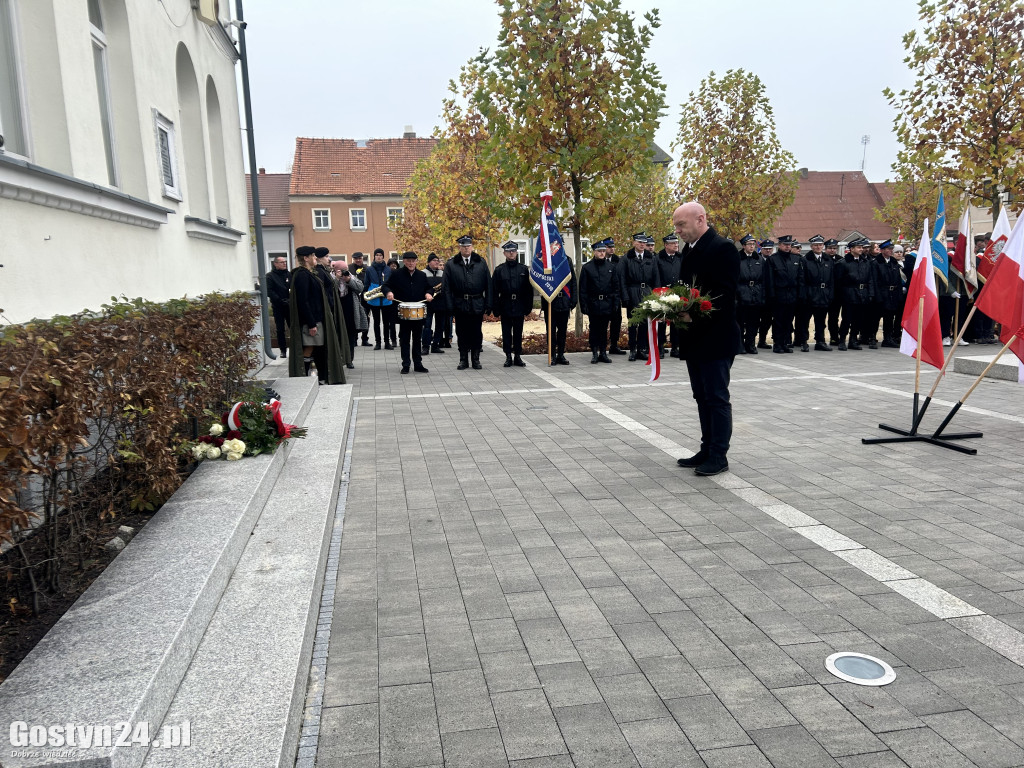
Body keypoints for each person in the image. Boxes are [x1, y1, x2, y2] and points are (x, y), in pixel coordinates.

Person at [672, 203, 740, 477]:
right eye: (676, 226)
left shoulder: (722, 248)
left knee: (716, 397)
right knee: (701, 396)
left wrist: (692, 316)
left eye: (681, 225)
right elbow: (687, 289)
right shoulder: (690, 250)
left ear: (700, 220)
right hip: (695, 338)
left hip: (716, 337)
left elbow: (724, 295)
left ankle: (719, 455)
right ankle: (706, 448)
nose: (677, 231)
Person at [287, 245, 348, 384]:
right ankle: (304, 380)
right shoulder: (302, 275)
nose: (316, 258)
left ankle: (320, 379)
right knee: (309, 348)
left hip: (318, 318)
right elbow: (303, 301)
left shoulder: (310, 273)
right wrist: (311, 323)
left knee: (318, 349)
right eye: (313, 256)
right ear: (306, 258)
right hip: (312, 320)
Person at [443, 235, 491, 370]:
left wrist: (489, 303)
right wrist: (449, 306)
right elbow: (446, 287)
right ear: (460, 247)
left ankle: (476, 359)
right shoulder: (451, 264)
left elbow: (488, 284)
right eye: (463, 246)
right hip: (459, 303)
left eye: (468, 246)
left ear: (472, 247)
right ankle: (463, 359)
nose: (466, 248)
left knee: (476, 332)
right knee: (461, 332)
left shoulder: (481, 262)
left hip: (477, 302)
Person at [385, 251, 433, 374]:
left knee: (417, 339)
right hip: (404, 313)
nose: (411, 263)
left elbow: (429, 288)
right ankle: (406, 364)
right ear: (404, 262)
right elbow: (385, 286)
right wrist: (389, 293)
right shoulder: (396, 274)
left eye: (413, 261)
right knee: (405, 339)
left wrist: (429, 293)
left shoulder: (421, 275)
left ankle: (418, 364)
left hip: (418, 313)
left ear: (416, 262)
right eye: (408, 261)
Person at [618, 232, 661, 361]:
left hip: (646, 292)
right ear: (634, 243)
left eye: (644, 242)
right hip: (632, 292)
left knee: (644, 323)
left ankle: (642, 349)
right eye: (639, 242)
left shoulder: (650, 258)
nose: (642, 244)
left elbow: (656, 278)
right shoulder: (626, 259)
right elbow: (622, 279)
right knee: (633, 323)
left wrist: (656, 295)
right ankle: (632, 349)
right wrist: (625, 297)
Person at [491, 241, 533, 367]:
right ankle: (508, 356)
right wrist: (496, 308)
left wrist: (528, 307)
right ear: (504, 253)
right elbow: (494, 291)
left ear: (516, 252)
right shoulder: (499, 270)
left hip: (519, 304)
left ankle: (518, 356)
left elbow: (528, 290)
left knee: (518, 332)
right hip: (506, 304)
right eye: (509, 251)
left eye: (513, 251)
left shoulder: (523, 269)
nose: (511, 253)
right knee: (506, 332)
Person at [579, 241, 618, 363]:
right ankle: (594, 353)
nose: (602, 253)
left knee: (604, 329)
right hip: (593, 303)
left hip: (607, 303)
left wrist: (615, 303)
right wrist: (584, 305)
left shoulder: (611, 267)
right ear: (594, 252)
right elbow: (583, 289)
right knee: (594, 328)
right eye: (599, 251)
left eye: (603, 251)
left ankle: (603, 352)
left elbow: (616, 287)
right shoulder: (587, 268)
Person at [795, 234, 834, 352]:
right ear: (811, 246)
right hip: (810, 294)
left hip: (823, 294)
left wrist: (830, 294)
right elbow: (802, 280)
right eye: (816, 245)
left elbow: (832, 279)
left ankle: (820, 341)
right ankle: (803, 341)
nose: (818, 247)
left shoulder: (828, 260)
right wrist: (804, 295)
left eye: (820, 245)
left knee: (821, 321)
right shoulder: (805, 260)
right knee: (804, 320)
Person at [765, 234, 804, 353]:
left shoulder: (796, 259)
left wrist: (800, 295)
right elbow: (770, 280)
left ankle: (786, 343)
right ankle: (777, 344)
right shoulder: (773, 259)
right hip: (779, 295)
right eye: (785, 245)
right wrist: (771, 296)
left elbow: (800, 279)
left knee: (788, 321)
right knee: (778, 321)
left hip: (792, 295)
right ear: (779, 245)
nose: (787, 247)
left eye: (789, 245)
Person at [835, 238, 874, 350]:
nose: (861, 249)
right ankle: (842, 340)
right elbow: (838, 282)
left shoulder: (865, 262)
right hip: (849, 294)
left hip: (863, 294)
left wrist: (870, 294)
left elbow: (870, 279)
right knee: (847, 319)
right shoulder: (843, 263)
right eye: (858, 247)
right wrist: (842, 295)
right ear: (851, 249)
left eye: (862, 247)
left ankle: (853, 340)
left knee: (859, 319)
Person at [541, 259, 578, 365]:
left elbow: (573, 280)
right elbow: (543, 281)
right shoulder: (546, 259)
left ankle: (561, 354)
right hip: (551, 302)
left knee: (562, 331)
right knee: (551, 331)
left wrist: (573, 299)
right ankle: (552, 355)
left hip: (565, 301)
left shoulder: (566, 260)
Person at [736, 235, 766, 354]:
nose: (752, 246)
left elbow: (764, 279)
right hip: (742, 294)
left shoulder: (759, 259)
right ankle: (740, 345)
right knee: (740, 322)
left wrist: (762, 295)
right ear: (744, 246)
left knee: (753, 322)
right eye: (749, 244)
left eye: (754, 244)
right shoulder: (737, 258)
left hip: (756, 294)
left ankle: (751, 344)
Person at [872, 239, 903, 348]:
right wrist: (876, 295)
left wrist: (899, 294)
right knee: (875, 317)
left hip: (893, 294)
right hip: (882, 293)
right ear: (882, 250)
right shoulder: (876, 263)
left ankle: (888, 338)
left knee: (889, 318)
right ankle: (872, 337)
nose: (891, 251)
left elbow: (898, 280)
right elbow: (874, 281)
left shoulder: (894, 262)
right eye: (888, 249)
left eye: (891, 249)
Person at [331, 260, 362, 368]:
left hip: (350, 310)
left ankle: (349, 360)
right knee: (337, 334)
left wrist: (349, 280)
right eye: (341, 270)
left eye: (345, 270)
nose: (344, 272)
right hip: (336, 310)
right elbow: (329, 290)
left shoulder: (350, 276)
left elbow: (360, 288)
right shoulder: (331, 277)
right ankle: (339, 359)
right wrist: (337, 278)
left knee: (350, 335)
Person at [656, 233, 682, 358]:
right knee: (661, 321)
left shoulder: (680, 257)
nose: (676, 245)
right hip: (662, 292)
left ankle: (675, 347)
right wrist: (659, 291)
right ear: (666, 245)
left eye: (677, 243)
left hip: (677, 293)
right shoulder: (658, 258)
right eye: (673, 243)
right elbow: (656, 276)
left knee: (676, 321)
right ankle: (660, 346)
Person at [364, 249, 393, 350]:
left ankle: (387, 342)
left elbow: (391, 283)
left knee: (386, 323)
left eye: (381, 255)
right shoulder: (369, 269)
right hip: (374, 299)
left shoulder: (388, 269)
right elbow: (366, 283)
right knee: (376, 322)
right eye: (377, 255)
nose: (379, 257)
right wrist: (364, 296)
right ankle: (378, 342)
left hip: (386, 300)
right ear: (374, 256)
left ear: (383, 256)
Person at [421, 253, 447, 355]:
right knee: (427, 325)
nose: (437, 262)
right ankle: (425, 346)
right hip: (428, 303)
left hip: (440, 303)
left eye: (437, 260)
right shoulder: (423, 273)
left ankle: (435, 345)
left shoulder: (443, 273)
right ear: (429, 262)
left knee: (440, 325)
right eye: (434, 260)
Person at [602, 238, 625, 355]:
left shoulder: (618, 261)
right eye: (609, 247)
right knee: (603, 323)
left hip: (615, 296)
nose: (612, 249)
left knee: (616, 322)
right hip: (604, 297)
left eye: (613, 246)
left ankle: (614, 345)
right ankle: (601, 347)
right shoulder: (599, 260)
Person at [266, 254, 290, 359]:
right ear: (275, 264)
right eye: (282, 262)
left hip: (289, 305)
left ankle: (295, 348)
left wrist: (289, 299)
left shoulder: (289, 274)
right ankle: (283, 350)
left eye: (285, 262)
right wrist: (279, 300)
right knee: (280, 329)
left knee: (293, 327)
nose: (284, 263)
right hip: (278, 306)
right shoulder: (270, 276)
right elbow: (269, 291)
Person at [350, 252, 372, 347]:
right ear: (353, 259)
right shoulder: (349, 268)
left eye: (359, 258)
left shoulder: (367, 269)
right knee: (354, 317)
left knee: (366, 317)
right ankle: (354, 339)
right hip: (353, 296)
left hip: (365, 297)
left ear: (362, 258)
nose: (358, 260)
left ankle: (365, 339)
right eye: (356, 259)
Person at [824, 238, 844, 345]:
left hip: (836, 293)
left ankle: (834, 337)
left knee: (834, 317)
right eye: (830, 248)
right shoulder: (822, 259)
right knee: (821, 317)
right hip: (824, 292)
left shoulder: (840, 260)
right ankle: (820, 338)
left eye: (834, 248)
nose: (832, 250)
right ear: (826, 249)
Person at [756, 239, 775, 349]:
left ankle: (762, 340)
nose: (768, 251)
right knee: (754, 320)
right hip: (757, 294)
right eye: (765, 249)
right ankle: (749, 341)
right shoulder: (757, 259)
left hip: (769, 296)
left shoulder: (773, 260)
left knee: (767, 320)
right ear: (761, 249)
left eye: (770, 249)